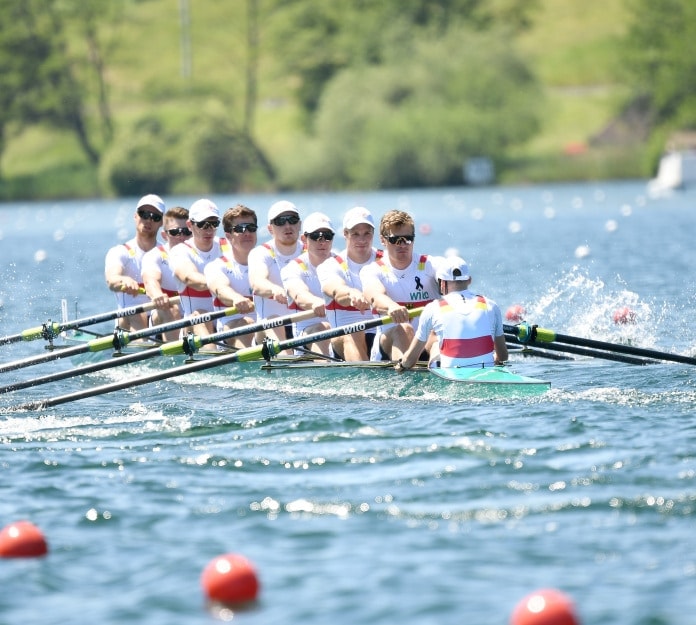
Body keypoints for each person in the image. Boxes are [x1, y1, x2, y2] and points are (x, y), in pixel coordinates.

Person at [395, 256, 508, 372]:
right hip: (486, 373)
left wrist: (402, 364)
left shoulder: (433, 308)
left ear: (442, 283)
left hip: (450, 376)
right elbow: (503, 356)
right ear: (469, 280)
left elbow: (410, 361)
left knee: (435, 343)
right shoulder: (491, 305)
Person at [359, 209, 441, 361]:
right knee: (404, 329)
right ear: (383, 240)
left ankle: (441, 370)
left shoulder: (430, 265)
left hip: (426, 345)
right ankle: (407, 376)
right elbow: (375, 295)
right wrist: (391, 307)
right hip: (389, 346)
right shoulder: (372, 270)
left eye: (407, 239)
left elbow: (453, 275)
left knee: (437, 332)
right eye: (395, 239)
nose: (402, 244)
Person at [317, 206, 380, 361]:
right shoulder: (330, 266)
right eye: (355, 234)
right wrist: (352, 294)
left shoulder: (385, 261)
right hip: (344, 337)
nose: (362, 240)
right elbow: (336, 290)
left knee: (403, 329)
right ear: (345, 234)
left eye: (367, 233)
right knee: (354, 332)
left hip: (381, 335)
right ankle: (362, 379)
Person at [168, 198, 230, 341]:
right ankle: (211, 356)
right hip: (195, 323)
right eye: (202, 224)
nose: (208, 229)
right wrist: (219, 286)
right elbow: (190, 277)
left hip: (228, 321)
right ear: (190, 225)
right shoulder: (180, 251)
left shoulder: (229, 246)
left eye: (214, 224)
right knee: (201, 315)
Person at [104, 193, 165, 332]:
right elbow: (112, 280)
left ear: (161, 222)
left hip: (159, 318)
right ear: (135, 216)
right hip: (129, 320)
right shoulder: (120, 252)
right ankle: (141, 347)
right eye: (144, 214)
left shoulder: (166, 253)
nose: (148, 220)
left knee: (170, 311)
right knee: (136, 312)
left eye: (155, 217)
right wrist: (123, 280)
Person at [247, 200, 304, 344]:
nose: (287, 226)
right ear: (270, 229)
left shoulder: (312, 251)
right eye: (280, 221)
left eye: (292, 220)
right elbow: (257, 282)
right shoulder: (260, 253)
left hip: (307, 326)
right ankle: (285, 360)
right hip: (268, 329)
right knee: (274, 321)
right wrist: (274, 289)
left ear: (299, 225)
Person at [280, 212, 336, 357]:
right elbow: (299, 294)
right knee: (323, 328)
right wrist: (315, 303)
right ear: (304, 238)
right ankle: (329, 374)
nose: (322, 241)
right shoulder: (292, 268)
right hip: (306, 336)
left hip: (342, 333)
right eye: (316, 236)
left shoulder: (342, 263)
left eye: (327, 236)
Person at [204, 205, 257, 349]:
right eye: (240, 229)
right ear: (228, 235)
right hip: (232, 328)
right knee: (248, 323)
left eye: (251, 228)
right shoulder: (216, 266)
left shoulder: (269, 262)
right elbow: (220, 288)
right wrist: (236, 298)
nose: (247, 233)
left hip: (267, 328)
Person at [141, 206, 192, 341]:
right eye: (175, 232)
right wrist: (157, 295)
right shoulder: (154, 256)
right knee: (171, 309)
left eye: (186, 232)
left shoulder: (202, 254)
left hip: (194, 317)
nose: (181, 237)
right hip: (163, 316)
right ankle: (176, 359)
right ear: (164, 235)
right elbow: (150, 281)